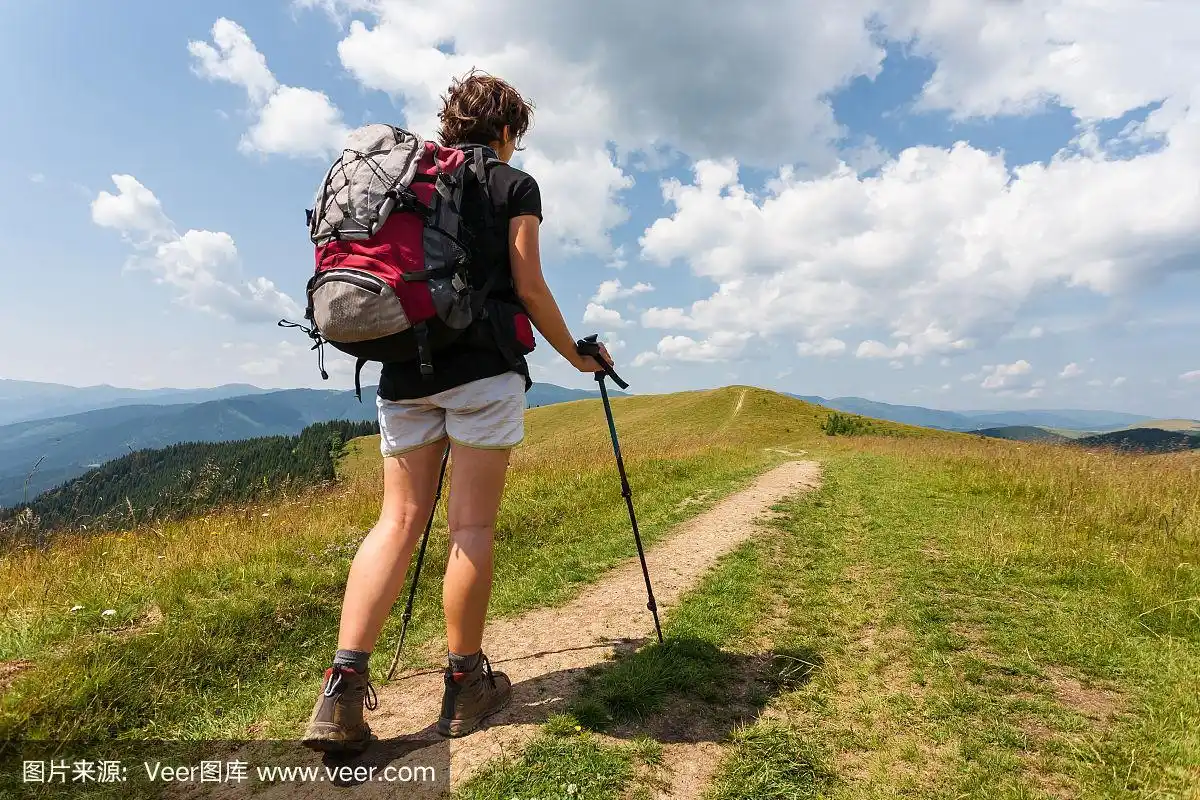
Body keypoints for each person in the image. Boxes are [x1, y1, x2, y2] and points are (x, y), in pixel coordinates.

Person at [302, 71, 612, 753]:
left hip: (402, 370)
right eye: (516, 136)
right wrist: (575, 356)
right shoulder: (511, 184)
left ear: (449, 125)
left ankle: (340, 691)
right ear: (508, 130)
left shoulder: (414, 180)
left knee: (396, 522)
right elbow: (527, 282)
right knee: (470, 525)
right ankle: (464, 682)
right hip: (483, 371)